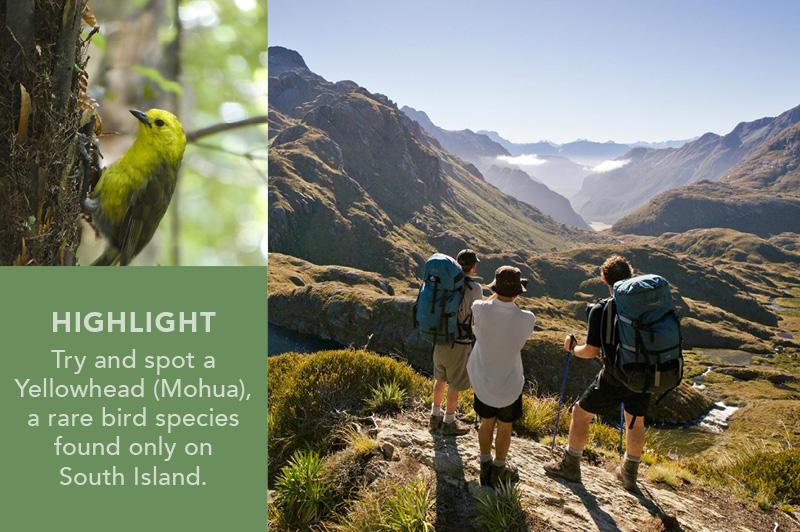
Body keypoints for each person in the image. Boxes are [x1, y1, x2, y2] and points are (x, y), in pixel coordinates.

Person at [544, 255, 646, 491]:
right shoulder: (643, 305)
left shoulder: (602, 309)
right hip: (645, 373)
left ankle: (570, 465)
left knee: (580, 413)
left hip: (616, 374)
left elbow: (590, 352)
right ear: (630, 275)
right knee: (635, 420)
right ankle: (629, 474)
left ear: (603, 278)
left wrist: (571, 348)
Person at [467, 266, 535, 487]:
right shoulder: (527, 318)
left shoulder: (479, 308)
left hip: (484, 381)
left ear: (495, 288)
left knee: (487, 422)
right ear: (518, 293)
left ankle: (485, 463)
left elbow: (484, 308)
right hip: (510, 383)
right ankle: (499, 467)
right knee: (505, 426)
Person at [430, 249, 484, 435]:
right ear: (473, 266)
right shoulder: (475, 288)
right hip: (459, 342)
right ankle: (449, 422)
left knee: (440, 379)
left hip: (440, 337)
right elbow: (477, 317)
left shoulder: (445, 282)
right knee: (454, 383)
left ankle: (434, 416)